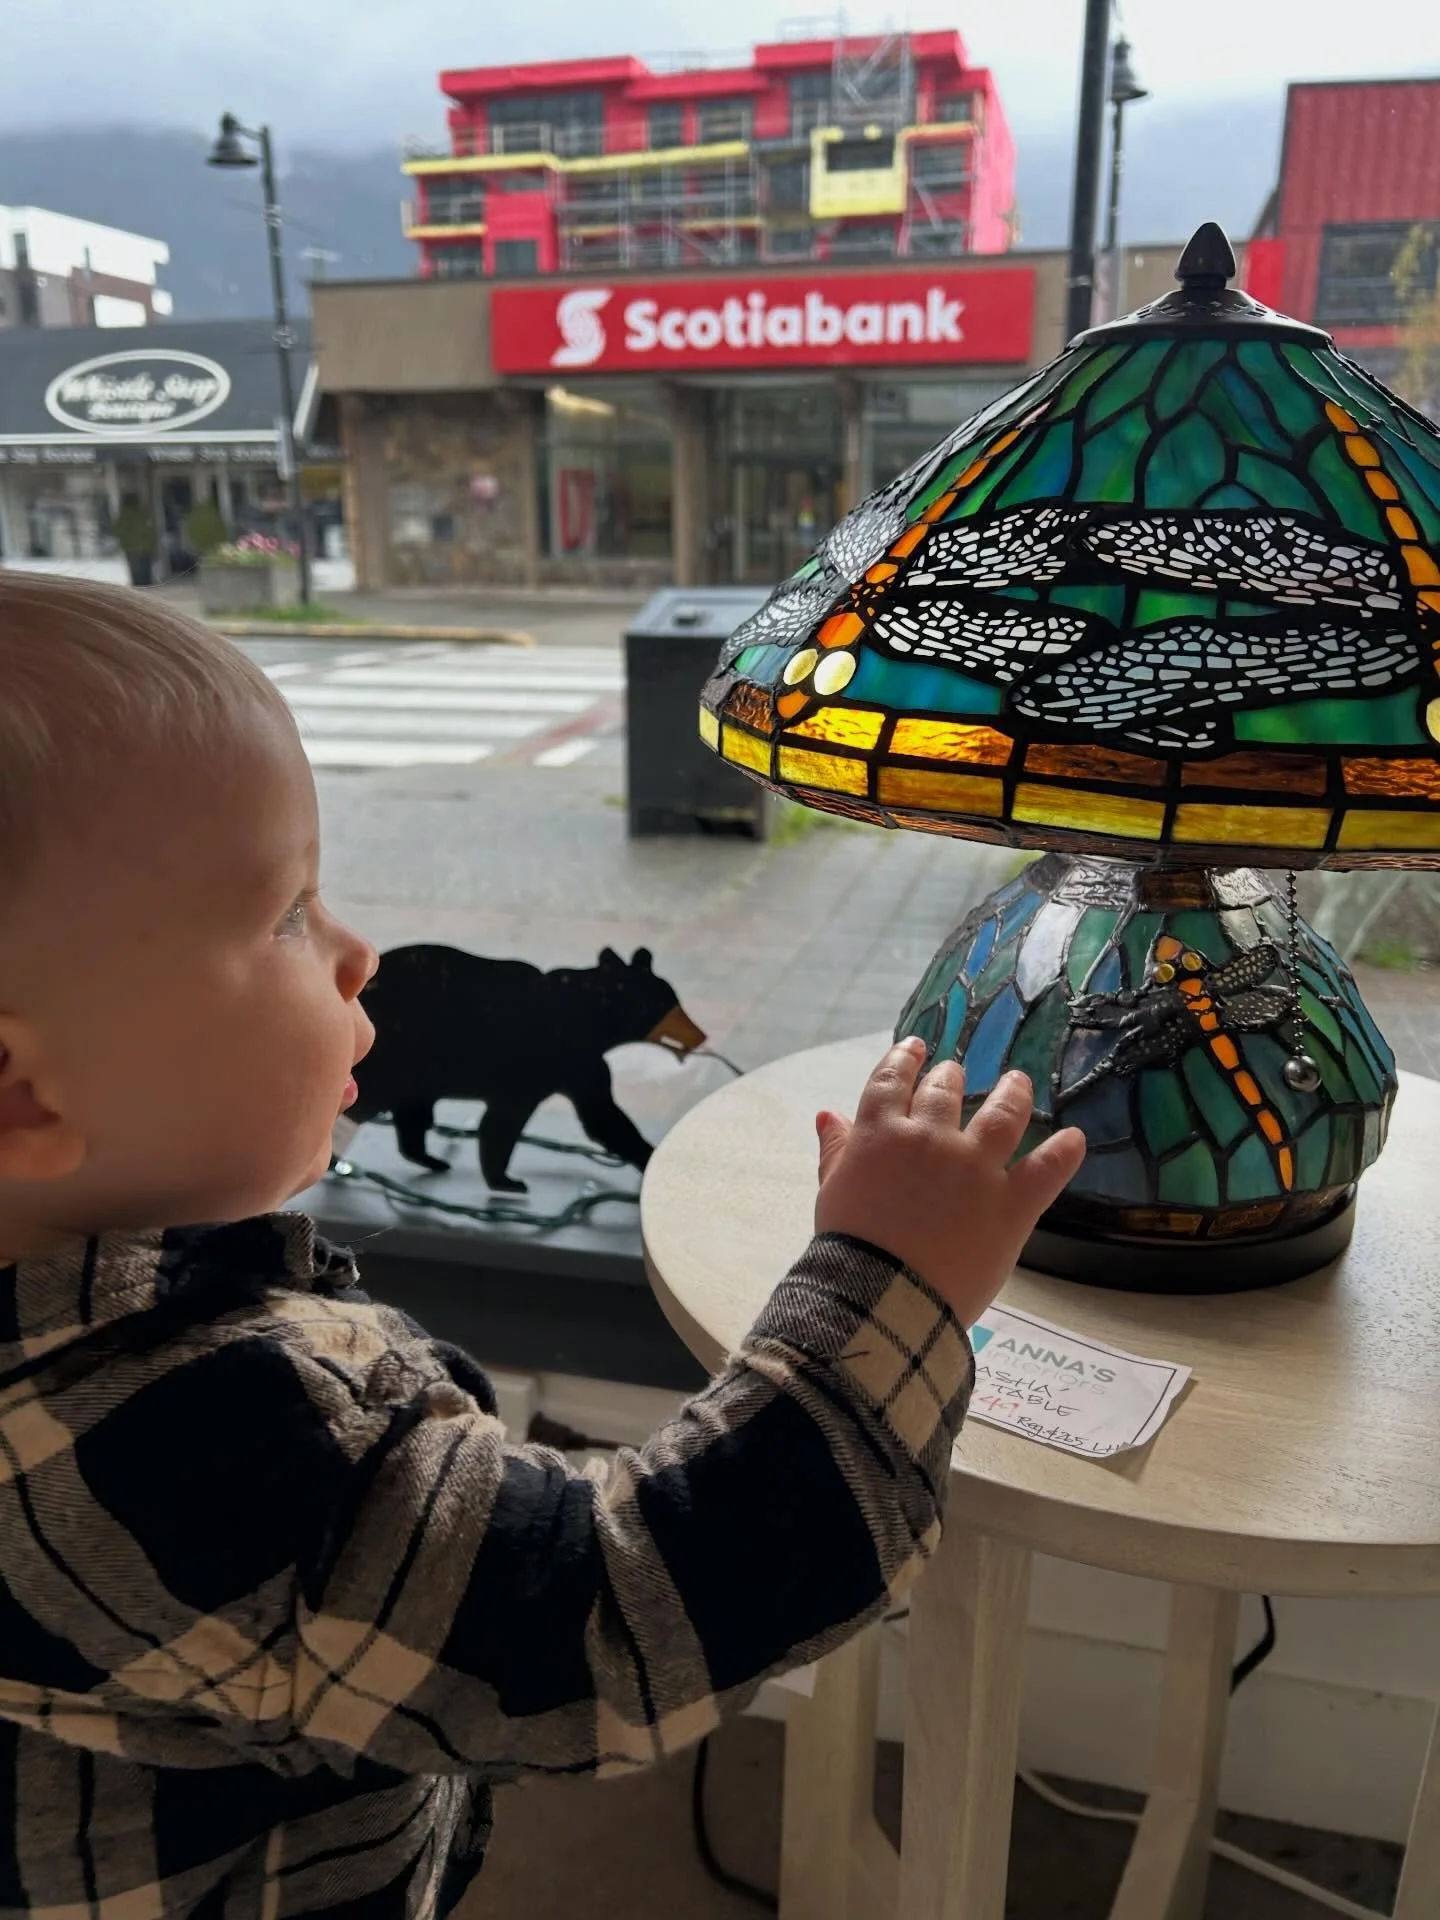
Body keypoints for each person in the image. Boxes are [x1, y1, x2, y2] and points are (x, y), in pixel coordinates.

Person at [0, 573, 1085, 1915]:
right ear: (21, 1095)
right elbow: (626, 1612)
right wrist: (891, 1277)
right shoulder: (218, 1449)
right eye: (285, 915)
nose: (358, 953)